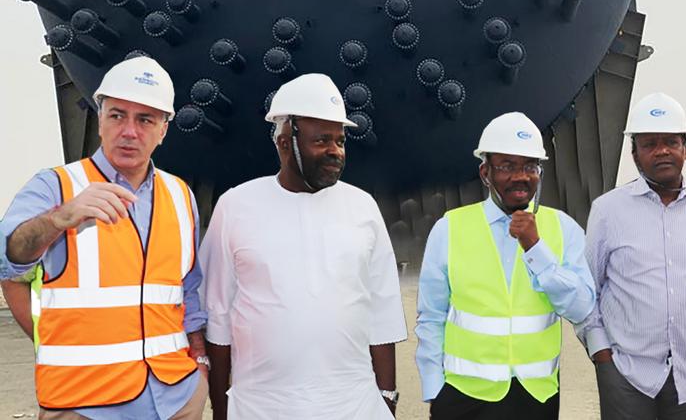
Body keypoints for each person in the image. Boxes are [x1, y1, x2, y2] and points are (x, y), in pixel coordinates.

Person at [0, 56, 209, 419]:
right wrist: (60, 217)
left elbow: (187, 288)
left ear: (164, 130)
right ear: (100, 120)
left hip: (175, 397)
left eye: (145, 119)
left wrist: (200, 365)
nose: (129, 131)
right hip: (86, 404)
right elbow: (9, 257)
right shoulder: (56, 186)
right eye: (117, 115)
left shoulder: (179, 195)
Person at [200, 73, 407, 420]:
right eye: (322, 140)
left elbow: (382, 313)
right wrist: (221, 410)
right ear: (285, 141)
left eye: (340, 141)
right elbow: (218, 317)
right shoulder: (236, 206)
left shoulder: (363, 206)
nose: (334, 152)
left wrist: (386, 399)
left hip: (353, 403)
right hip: (261, 406)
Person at [416, 112, 596, 419]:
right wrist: (434, 389)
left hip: (535, 397)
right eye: (507, 166)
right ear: (485, 172)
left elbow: (582, 308)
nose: (520, 176)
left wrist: (537, 249)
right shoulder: (449, 228)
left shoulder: (563, 229)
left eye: (529, 166)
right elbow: (431, 316)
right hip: (463, 397)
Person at [575, 93, 686, 420]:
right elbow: (586, 290)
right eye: (650, 143)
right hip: (626, 374)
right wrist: (602, 354)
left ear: (685, 148)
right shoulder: (608, 211)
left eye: (671, 141)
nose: (662, 150)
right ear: (634, 154)